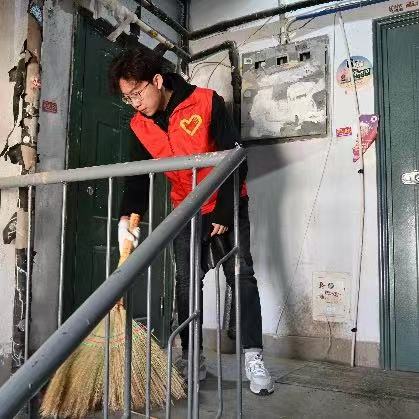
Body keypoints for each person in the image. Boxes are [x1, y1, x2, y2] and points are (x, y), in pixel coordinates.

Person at [109, 48, 274, 395]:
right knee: (186, 283)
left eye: (137, 93)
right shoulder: (139, 125)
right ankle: (192, 358)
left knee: (241, 275)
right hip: (185, 208)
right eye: (127, 98)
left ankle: (253, 357)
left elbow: (235, 157)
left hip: (225, 201)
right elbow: (138, 178)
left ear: (157, 80)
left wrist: (225, 209)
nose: (135, 103)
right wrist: (127, 216)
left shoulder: (206, 102)